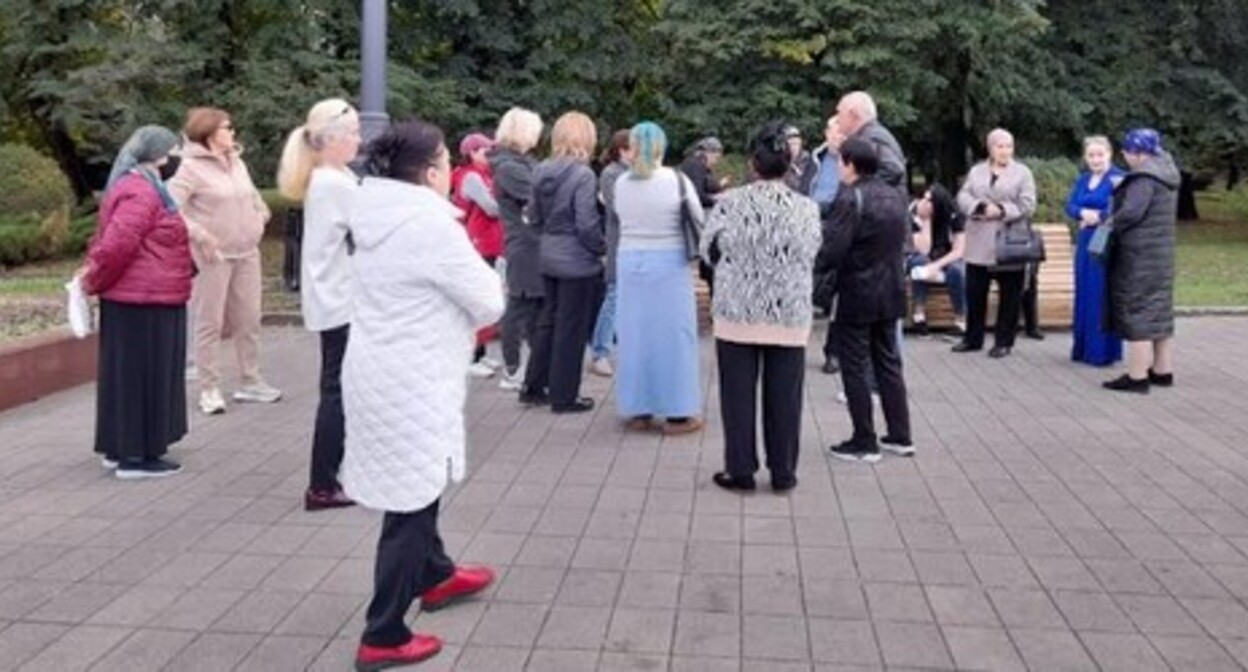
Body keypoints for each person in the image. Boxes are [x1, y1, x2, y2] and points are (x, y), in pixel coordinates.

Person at [341, 121, 504, 670]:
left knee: (418, 481)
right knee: (409, 503)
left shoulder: (370, 214)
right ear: (432, 171)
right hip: (413, 374)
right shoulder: (431, 225)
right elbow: (489, 301)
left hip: (377, 367)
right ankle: (382, 632)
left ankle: (435, 574)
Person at [702, 121, 822, 490]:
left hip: (737, 312)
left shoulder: (730, 204)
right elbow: (813, 250)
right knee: (785, 397)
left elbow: (707, 251)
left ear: (753, 164)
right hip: (788, 313)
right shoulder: (806, 208)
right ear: (788, 166)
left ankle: (741, 470)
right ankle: (783, 471)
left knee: (737, 397)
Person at [81, 126, 194, 479]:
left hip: (140, 297)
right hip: (144, 299)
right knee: (143, 376)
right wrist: (92, 280)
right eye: (173, 150)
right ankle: (136, 457)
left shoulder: (139, 186)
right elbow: (117, 245)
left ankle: (122, 448)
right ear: (158, 155)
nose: (177, 158)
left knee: (128, 376)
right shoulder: (142, 192)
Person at [276, 98, 361, 511]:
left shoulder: (333, 177)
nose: (359, 140)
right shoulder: (334, 183)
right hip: (341, 301)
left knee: (339, 389)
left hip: (336, 299)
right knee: (337, 392)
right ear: (331, 140)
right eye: (353, 133)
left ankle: (330, 478)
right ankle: (322, 484)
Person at [170, 107, 281, 415]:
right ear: (209, 133)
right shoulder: (190, 168)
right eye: (227, 128)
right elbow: (168, 207)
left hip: (247, 253)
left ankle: (251, 381)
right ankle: (209, 388)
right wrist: (200, 234)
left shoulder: (238, 162)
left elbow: (255, 198)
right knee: (210, 323)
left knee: (249, 319)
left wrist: (260, 219)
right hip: (212, 257)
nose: (233, 133)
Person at [815, 138, 913, 463]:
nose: (840, 169)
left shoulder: (851, 196)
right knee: (888, 362)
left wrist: (815, 269)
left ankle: (864, 440)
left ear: (851, 164)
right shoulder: (895, 196)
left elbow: (833, 248)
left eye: (841, 163)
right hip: (892, 289)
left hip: (856, 292)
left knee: (854, 365)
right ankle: (900, 435)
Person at [613, 122, 706, 434]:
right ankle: (678, 411)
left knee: (635, 334)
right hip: (669, 261)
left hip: (629, 261)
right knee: (674, 336)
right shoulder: (676, 180)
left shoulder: (621, 182)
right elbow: (697, 218)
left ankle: (638, 408)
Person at [519, 111, 605, 413]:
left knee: (548, 321)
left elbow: (533, 215)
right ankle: (564, 395)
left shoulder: (541, 170)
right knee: (571, 328)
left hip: (549, 253)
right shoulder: (583, 175)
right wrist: (599, 248)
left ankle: (533, 385)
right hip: (577, 259)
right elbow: (586, 223)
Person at [1103, 128, 1179, 394]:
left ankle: (1136, 377)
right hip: (1161, 256)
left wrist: (1108, 222)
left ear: (1137, 152)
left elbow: (1131, 213)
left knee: (1138, 313)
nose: (1124, 157)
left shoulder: (1144, 178)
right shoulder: (1166, 173)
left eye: (1126, 152)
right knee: (1159, 313)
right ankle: (1162, 371)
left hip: (1139, 256)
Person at [953, 128, 1037, 359]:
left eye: (1009, 146)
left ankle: (1004, 342)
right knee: (975, 293)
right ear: (990, 148)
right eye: (999, 146)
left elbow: (1028, 205)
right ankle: (972, 338)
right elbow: (963, 196)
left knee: (1010, 296)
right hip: (979, 240)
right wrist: (980, 207)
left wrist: (1001, 209)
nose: (1005, 151)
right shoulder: (977, 171)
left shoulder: (1023, 173)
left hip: (1009, 243)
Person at [489, 107, 544, 391]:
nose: (538, 135)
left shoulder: (516, 164)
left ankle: (531, 368)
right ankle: (512, 369)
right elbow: (539, 198)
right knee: (520, 307)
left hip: (529, 244)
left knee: (531, 307)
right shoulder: (511, 168)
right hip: (525, 245)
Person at [1067, 136, 1125, 366]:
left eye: (1100, 154)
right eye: (1091, 155)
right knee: (1085, 291)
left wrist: (1098, 217)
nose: (1096, 159)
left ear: (1110, 154)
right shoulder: (1083, 179)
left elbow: (1122, 207)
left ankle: (1102, 351)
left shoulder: (1118, 178)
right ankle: (1083, 348)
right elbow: (1070, 204)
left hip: (1106, 239)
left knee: (1101, 293)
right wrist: (1082, 214)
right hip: (1085, 240)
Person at [452, 132, 506, 379]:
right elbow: (491, 208)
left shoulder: (482, 174)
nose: (491, 156)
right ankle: (471, 355)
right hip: (477, 242)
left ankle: (480, 354)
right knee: (477, 300)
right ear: (471, 152)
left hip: (483, 241)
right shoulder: (472, 177)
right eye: (486, 151)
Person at [589, 129, 634, 378]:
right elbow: (618, 209)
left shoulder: (634, 174)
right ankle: (600, 353)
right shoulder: (611, 174)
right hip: (619, 243)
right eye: (632, 148)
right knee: (614, 296)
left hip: (634, 243)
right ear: (622, 150)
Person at [906, 184, 967, 335]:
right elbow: (923, 249)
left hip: (948, 258)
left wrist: (936, 266)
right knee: (918, 264)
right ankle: (919, 315)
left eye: (929, 200)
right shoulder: (915, 212)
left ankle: (961, 320)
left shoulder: (954, 215)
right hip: (925, 257)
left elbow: (959, 251)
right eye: (924, 198)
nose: (924, 203)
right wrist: (925, 220)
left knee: (956, 271)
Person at [810, 115, 844, 375]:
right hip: (811, 232)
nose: (839, 135)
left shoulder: (854, 159)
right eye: (834, 130)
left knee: (839, 298)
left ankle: (834, 352)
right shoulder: (813, 160)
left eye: (843, 130)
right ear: (826, 133)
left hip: (840, 232)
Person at [679, 136, 727, 294]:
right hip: (692, 219)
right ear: (708, 153)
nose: (716, 161)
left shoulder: (697, 165)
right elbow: (698, 196)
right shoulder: (695, 165)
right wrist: (716, 200)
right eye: (716, 157)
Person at [835, 91, 907, 193]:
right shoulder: (868, 135)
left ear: (853, 114)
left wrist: (861, 189)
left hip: (883, 206)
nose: (837, 119)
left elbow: (894, 170)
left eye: (839, 112)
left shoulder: (872, 137)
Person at [783, 125, 819, 194]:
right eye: (791, 144)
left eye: (796, 144)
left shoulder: (809, 160)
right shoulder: (781, 161)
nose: (793, 147)